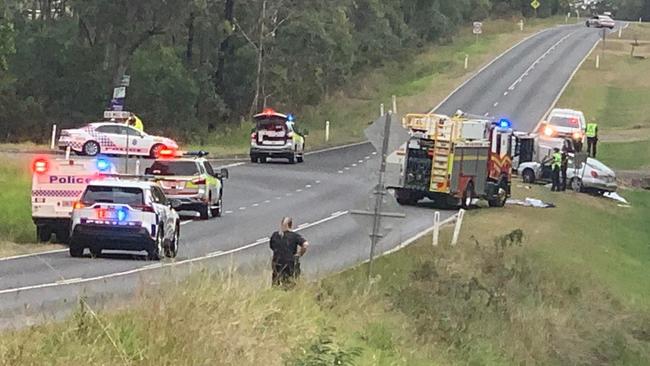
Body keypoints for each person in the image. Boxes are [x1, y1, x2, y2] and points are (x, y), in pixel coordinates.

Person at [269, 217, 309, 287]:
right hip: (290, 263)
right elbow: (305, 244)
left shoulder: (275, 235)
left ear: (281, 224)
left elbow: (272, 247)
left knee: (276, 283)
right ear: (291, 225)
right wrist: (299, 254)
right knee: (290, 283)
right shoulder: (294, 236)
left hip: (277, 263)